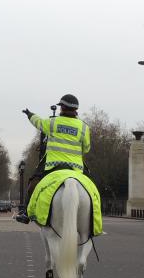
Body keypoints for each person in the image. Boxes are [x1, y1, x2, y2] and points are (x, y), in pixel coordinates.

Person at [15, 93, 91, 223]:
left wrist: (29, 114)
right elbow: (86, 148)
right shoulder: (84, 127)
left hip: (53, 165)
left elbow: (38, 122)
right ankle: (95, 217)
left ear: (62, 108)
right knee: (91, 188)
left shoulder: (52, 123)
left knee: (33, 185)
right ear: (75, 110)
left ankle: (26, 213)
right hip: (77, 168)